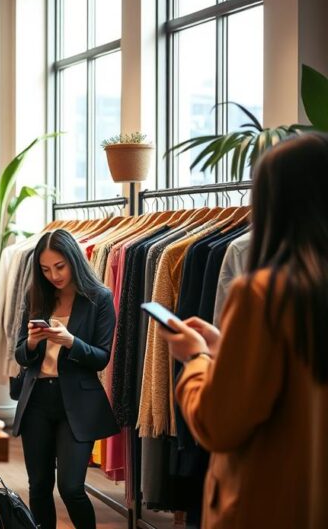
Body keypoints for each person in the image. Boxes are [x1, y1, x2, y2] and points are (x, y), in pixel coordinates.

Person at [160, 133, 328, 529]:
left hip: (269, 503)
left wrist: (197, 358)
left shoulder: (263, 294)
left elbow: (219, 423)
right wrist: (225, 348)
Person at [12, 229, 118, 529]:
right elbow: (21, 355)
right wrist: (32, 343)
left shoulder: (99, 297)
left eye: (59, 266)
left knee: (71, 488)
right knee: (40, 487)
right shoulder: (37, 295)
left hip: (77, 402)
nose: (53, 275)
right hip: (37, 401)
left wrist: (71, 340)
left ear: (73, 259)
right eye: (45, 269)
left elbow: (101, 357)